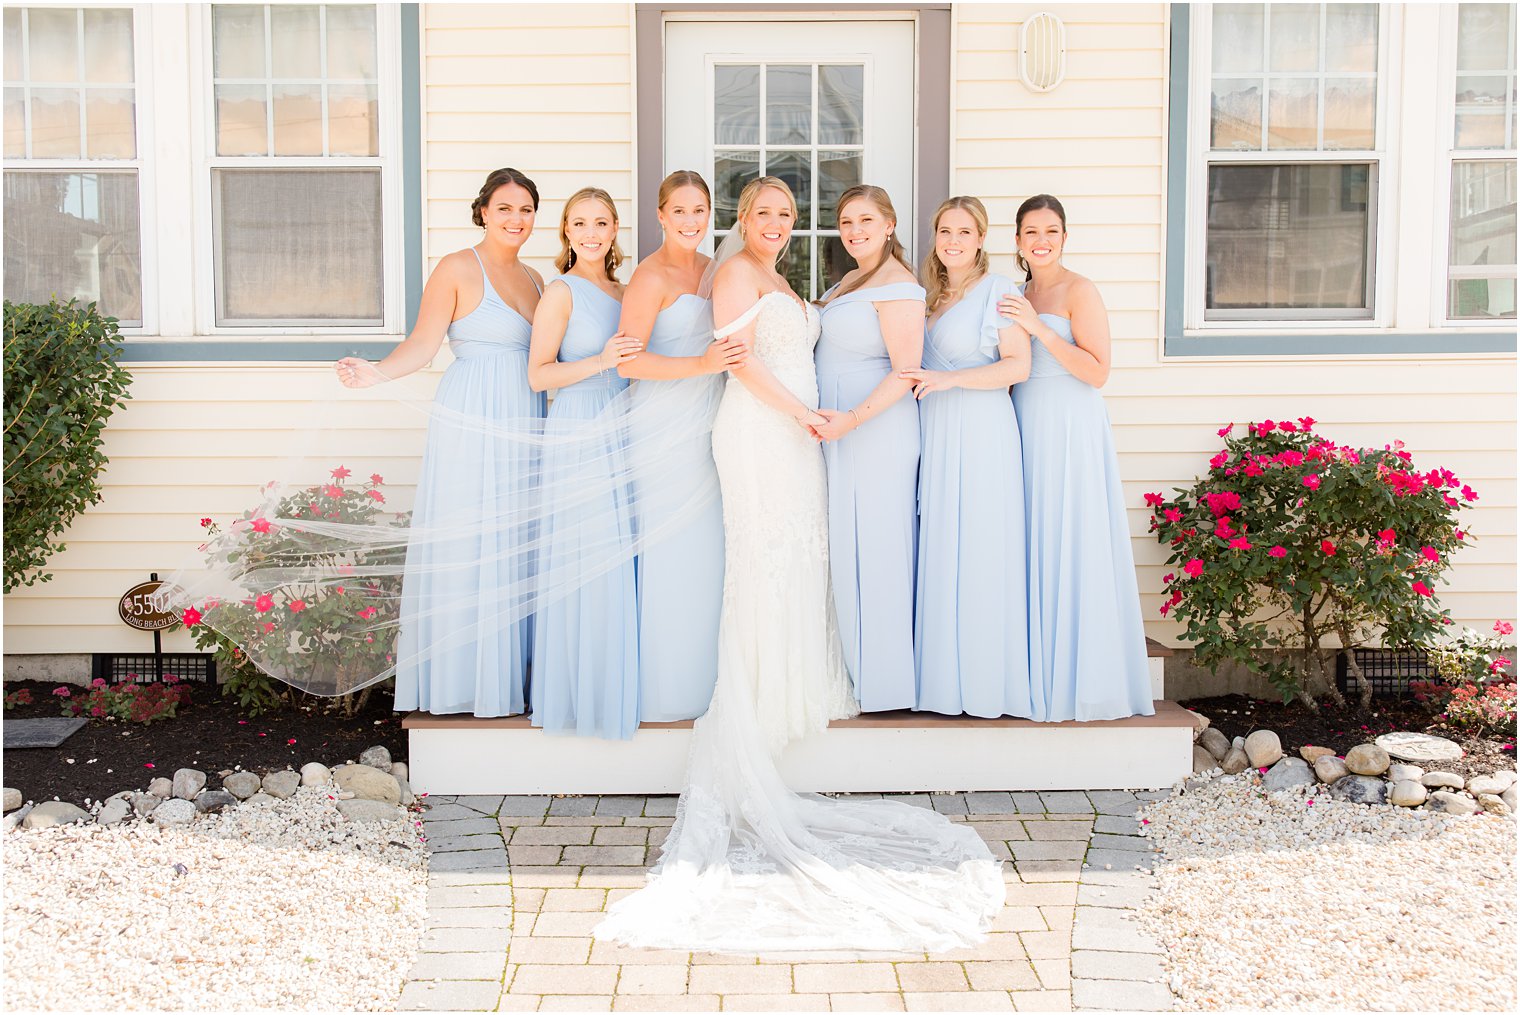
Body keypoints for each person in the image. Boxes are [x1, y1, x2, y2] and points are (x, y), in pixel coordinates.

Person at [594, 177, 1003, 953]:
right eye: (763, 213)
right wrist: (801, 414)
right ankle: (755, 701)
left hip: (804, 431)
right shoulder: (737, 274)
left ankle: (792, 686)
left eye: (787, 214)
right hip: (761, 427)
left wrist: (813, 419)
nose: (776, 223)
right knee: (763, 556)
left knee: (795, 555)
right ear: (741, 221)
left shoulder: (785, 276)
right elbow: (737, 366)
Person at [335, 167, 545, 716]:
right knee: (469, 537)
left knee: (516, 537)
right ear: (483, 212)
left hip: (527, 417)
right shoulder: (457, 267)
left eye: (525, 209)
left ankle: (513, 682)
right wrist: (376, 373)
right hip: (473, 414)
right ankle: (463, 684)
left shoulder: (537, 279)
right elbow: (425, 344)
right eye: (505, 208)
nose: (516, 219)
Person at [998, 194, 1155, 722]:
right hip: (1024, 420)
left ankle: (1080, 679)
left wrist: (1040, 328)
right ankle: (1035, 671)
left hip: (1070, 423)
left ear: (1064, 237)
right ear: (1017, 240)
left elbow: (1097, 371)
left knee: (1072, 536)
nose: (1041, 240)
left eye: (1051, 230)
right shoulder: (1015, 291)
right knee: (1034, 536)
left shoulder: (1079, 290)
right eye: (1030, 232)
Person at [615, 170, 746, 721]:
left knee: (708, 552)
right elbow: (628, 359)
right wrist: (699, 364)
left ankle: (706, 685)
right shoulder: (651, 276)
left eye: (700, 211)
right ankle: (665, 691)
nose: (691, 222)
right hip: (661, 424)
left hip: (710, 421)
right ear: (661, 216)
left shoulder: (716, 270)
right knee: (670, 549)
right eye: (680, 212)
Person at [902, 196, 1032, 717]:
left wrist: (949, 380)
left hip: (980, 430)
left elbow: (1018, 366)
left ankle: (983, 681)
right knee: (943, 542)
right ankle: (942, 682)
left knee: (979, 545)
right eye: (945, 231)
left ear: (981, 239)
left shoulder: (998, 291)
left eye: (964, 231)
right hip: (936, 431)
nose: (953, 241)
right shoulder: (930, 298)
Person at [526, 186, 643, 738]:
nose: (592, 233)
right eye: (580, 223)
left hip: (627, 426)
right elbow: (539, 374)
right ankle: (581, 696)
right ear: (567, 232)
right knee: (586, 555)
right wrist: (600, 361)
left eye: (601, 223)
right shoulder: (560, 291)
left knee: (622, 556)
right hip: (579, 428)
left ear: (615, 229)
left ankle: (617, 682)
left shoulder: (628, 289)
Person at [811, 185, 925, 711]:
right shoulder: (852, 280)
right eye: (847, 222)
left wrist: (853, 419)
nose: (855, 231)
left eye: (865, 221)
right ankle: (858, 670)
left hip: (875, 428)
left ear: (889, 224)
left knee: (878, 549)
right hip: (843, 429)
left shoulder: (900, 286)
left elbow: (905, 372)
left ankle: (888, 685)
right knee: (850, 548)